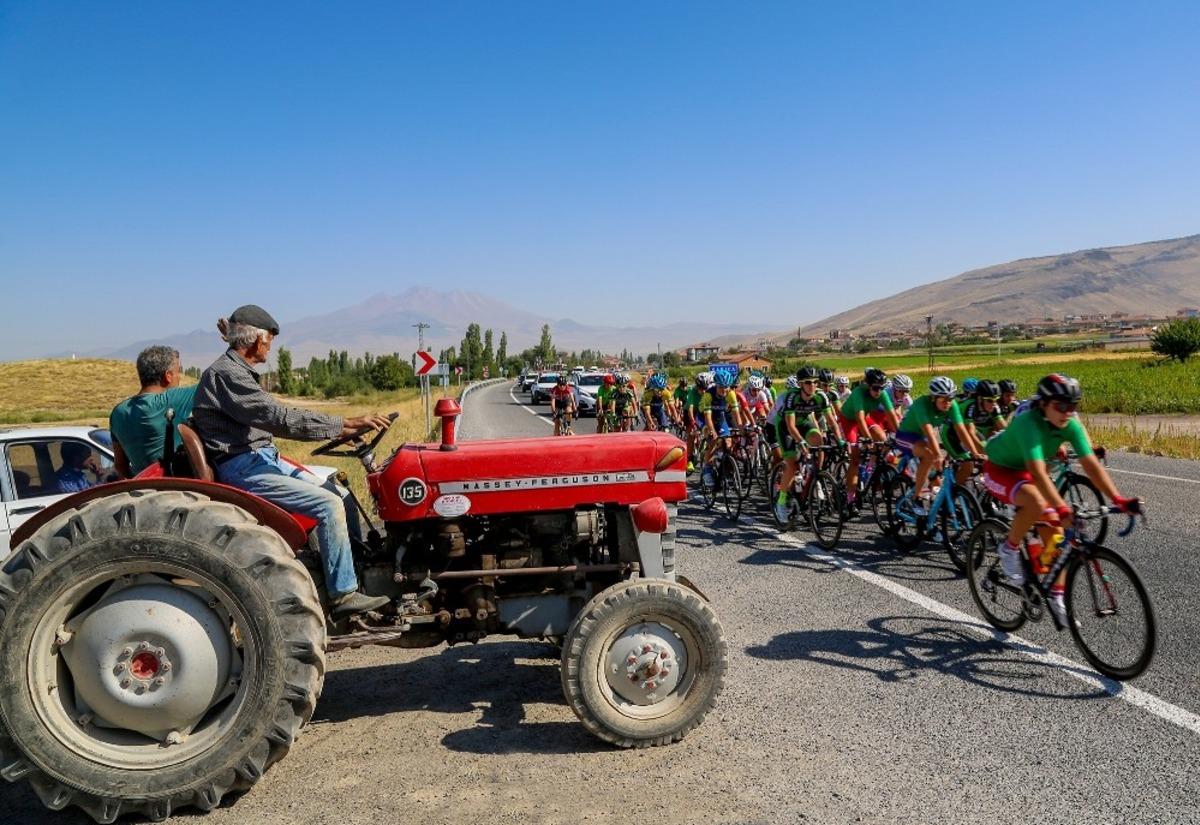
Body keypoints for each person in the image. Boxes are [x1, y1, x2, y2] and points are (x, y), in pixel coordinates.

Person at [191, 304, 393, 620]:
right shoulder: (227, 375)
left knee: (342, 495)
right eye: (269, 342)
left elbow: (276, 413)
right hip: (243, 467)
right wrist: (344, 424)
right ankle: (342, 596)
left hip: (258, 457)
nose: (270, 349)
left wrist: (345, 426)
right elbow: (279, 418)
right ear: (257, 341)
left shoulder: (236, 372)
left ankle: (358, 569)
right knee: (328, 505)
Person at [982, 374, 1139, 624]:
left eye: (1073, 406)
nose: (1068, 412)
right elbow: (1036, 473)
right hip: (1000, 468)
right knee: (1038, 502)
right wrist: (1062, 508)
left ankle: (1056, 596)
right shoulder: (1028, 423)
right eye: (1061, 406)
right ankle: (1008, 548)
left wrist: (1119, 499)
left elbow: (1090, 464)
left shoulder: (1071, 423)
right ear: (1044, 403)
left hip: (1028, 471)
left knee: (1056, 536)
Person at [895, 377, 983, 513]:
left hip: (922, 438)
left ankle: (934, 507)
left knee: (937, 479)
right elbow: (929, 431)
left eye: (950, 398)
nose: (947, 403)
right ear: (933, 398)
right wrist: (937, 455)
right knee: (930, 456)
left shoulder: (952, 405)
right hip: (906, 435)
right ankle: (915, 497)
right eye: (943, 399)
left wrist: (975, 453)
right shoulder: (922, 405)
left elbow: (961, 430)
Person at [110, 345, 198, 477]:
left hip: (140, 487)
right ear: (168, 376)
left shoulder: (118, 412)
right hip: (174, 487)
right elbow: (214, 380)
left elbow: (120, 466)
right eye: (178, 372)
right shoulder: (171, 400)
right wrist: (234, 342)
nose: (179, 377)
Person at [774, 367, 840, 523]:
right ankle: (781, 502)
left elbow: (832, 422)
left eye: (816, 382)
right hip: (785, 427)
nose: (813, 386)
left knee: (820, 443)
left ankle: (815, 476)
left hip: (804, 423)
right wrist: (801, 441)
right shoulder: (792, 397)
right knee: (792, 465)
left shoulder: (821, 396)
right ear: (801, 384)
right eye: (808, 383)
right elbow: (790, 426)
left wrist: (841, 441)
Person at [838, 368, 899, 510]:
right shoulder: (859, 392)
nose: (879, 392)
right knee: (854, 458)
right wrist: (867, 438)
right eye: (875, 388)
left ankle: (870, 468)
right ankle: (850, 498)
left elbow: (892, 416)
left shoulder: (882, 394)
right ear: (868, 385)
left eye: (882, 388)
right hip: (849, 421)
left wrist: (902, 436)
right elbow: (858, 419)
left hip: (865, 419)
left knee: (882, 437)